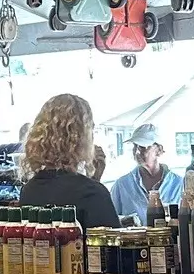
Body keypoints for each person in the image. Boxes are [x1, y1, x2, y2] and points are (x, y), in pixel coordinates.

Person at [17, 95, 118, 231]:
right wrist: (95, 183)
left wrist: (94, 179)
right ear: (82, 136)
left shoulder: (29, 190)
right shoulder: (92, 193)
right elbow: (111, 246)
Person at [109, 124, 184, 225]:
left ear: (159, 151)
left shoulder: (179, 184)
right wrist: (124, 220)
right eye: (135, 146)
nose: (137, 152)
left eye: (143, 147)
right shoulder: (122, 185)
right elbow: (110, 220)